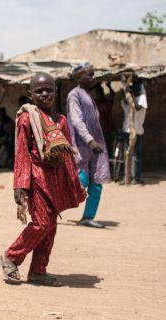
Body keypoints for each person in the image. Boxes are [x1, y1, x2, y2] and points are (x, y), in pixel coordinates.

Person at [0, 72, 85, 287]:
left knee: (51, 227)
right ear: (31, 94)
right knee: (42, 223)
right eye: (39, 91)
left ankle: (38, 270)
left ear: (56, 92)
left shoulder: (61, 121)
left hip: (56, 181)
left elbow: (66, 155)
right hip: (37, 180)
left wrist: (74, 182)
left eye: (49, 90)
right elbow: (22, 153)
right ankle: (11, 256)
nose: (44, 94)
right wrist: (19, 185)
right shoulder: (27, 119)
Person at [67, 63, 110, 229]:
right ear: (79, 77)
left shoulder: (87, 96)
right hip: (83, 146)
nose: (92, 78)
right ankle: (51, 208)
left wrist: (95, 142)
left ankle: (88, 216)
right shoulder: (74, 95)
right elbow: (77, 120)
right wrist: (89, 140)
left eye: (93, 75)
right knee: (80, 181)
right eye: (89, 75)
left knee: (96, 181)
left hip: (95, 148)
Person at [120, 79, 148, 184]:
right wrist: (128, 94)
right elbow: (124, 102)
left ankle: (136, 178)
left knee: (136, 154)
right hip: (127, 129)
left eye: (136, 86)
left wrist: (131, 94)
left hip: (137, 130)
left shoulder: (142, 98)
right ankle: (127, 176)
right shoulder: (131, 98)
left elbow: (137, 107)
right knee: (127, 154)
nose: (134, 88)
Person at [93, 82, 115, 153]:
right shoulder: (95, 102)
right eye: (97, 93)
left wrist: (109, 86)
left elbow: (113, 94)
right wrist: (95, 86)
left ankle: (108, 164)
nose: (98, 94)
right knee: (100, 149)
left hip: (107, 130)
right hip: (99, 131)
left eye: (99, 92)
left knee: (107, 149)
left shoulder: (107, 102)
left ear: (102, 92)